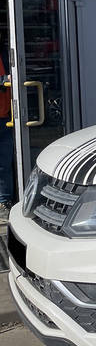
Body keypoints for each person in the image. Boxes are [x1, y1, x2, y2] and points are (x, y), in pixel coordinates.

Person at [0, 41, 13, 224]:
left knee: (4, 163)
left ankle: (4, 202)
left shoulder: (4, 52)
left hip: (6, 116)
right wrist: (2, 81)